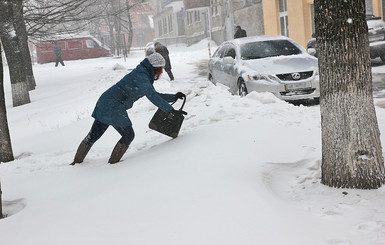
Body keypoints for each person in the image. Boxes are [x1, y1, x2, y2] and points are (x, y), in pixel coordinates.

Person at [70, 53, 186, 165]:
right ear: (156, 67)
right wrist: (169, 110)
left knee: (94, 134)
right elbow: (152, 96)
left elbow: (152, 94)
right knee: (128, 135)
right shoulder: (142, 76)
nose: (161, 72)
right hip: (114, 105)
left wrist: (173, 97)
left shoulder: (143, 73)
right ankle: (113, 164)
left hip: (105, 101)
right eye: (161, 69)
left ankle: (77, 162)